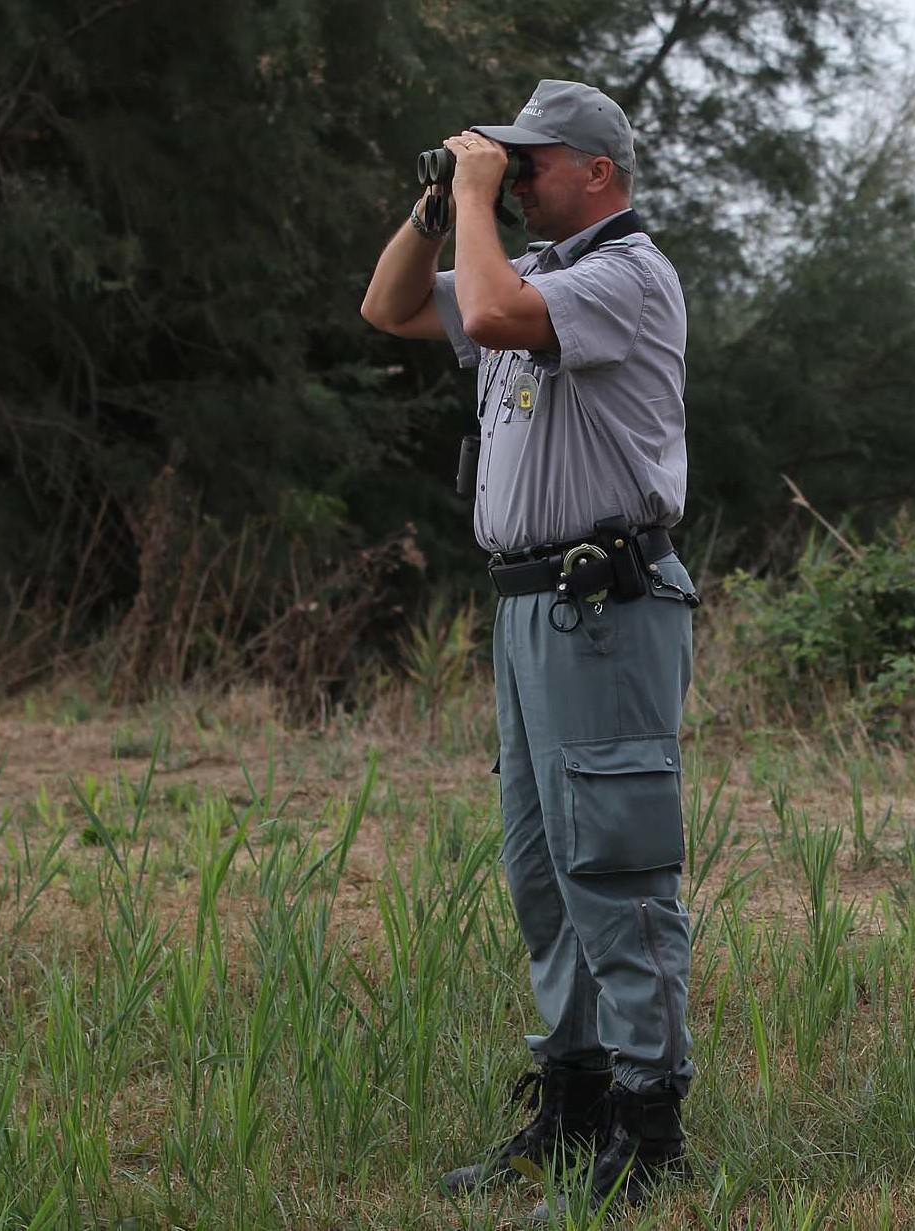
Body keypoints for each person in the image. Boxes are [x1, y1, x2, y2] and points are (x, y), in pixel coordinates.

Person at [360, 79, 697, 1213]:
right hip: (530, 609)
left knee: (618, 865)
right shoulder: (541, 273)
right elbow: (392, 309)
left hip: (604, 604)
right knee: (546, 874)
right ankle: (572, 1103)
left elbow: (491, 315)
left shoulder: (623, 275)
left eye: (530, 163)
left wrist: (472, 193)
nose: (512, 179)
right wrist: (435, 204)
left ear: (597, 171)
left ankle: (650, 1132)